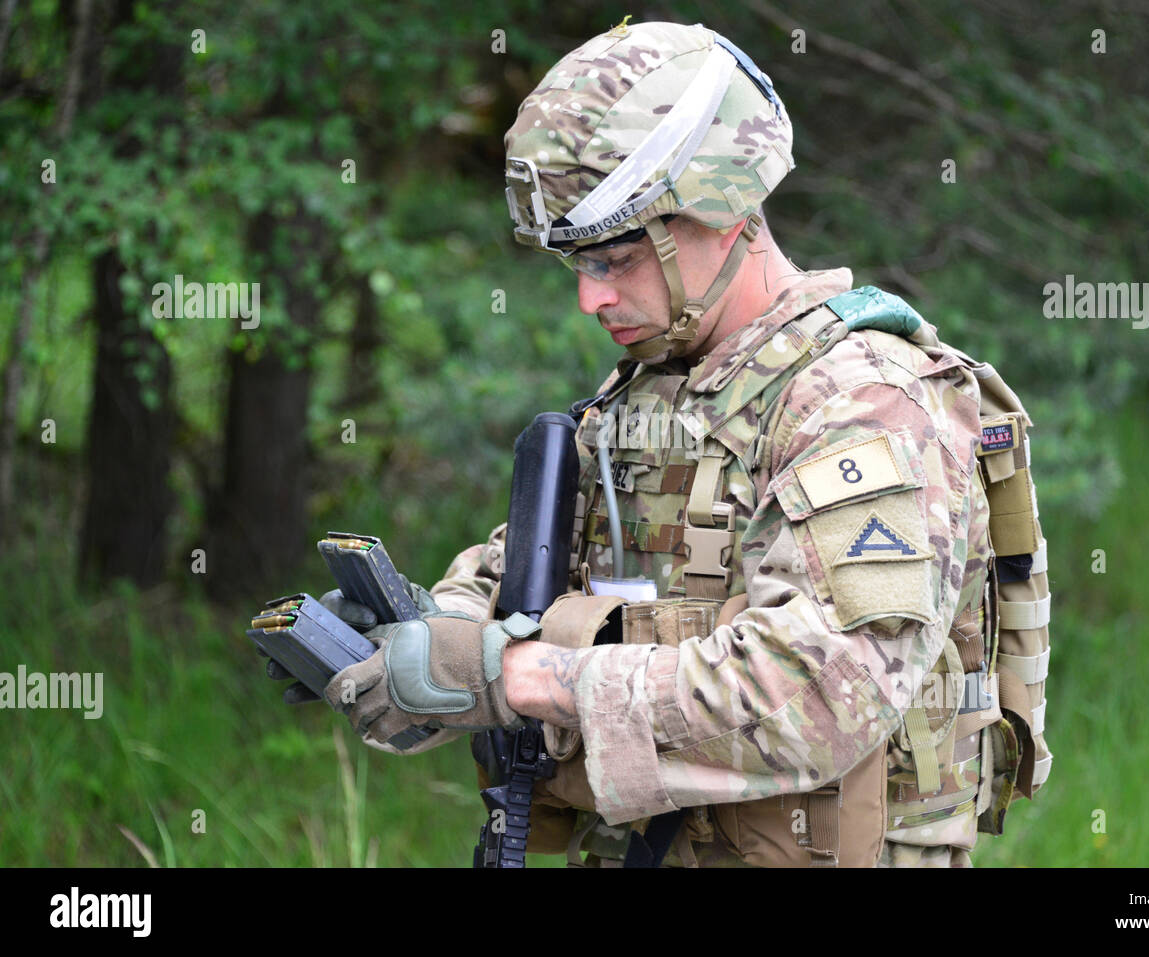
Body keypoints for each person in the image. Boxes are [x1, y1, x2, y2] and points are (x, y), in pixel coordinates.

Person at [283, 20, 1053, 867]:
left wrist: (516, 678)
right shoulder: (645, 393)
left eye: (613, 258)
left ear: (719, 211)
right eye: (574, 264)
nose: (588, 299)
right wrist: (417, 638)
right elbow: (523, 588)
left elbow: (822, 690)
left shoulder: (864, 397)